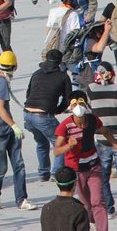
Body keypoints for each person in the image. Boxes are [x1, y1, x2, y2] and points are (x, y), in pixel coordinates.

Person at [52, 91, 117, 231]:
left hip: (94, 165)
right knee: (86, 204)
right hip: (77, 169)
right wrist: (68, 146)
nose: (78, 106)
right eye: (75, 104)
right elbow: (57, 151)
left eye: (81, 103)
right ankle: (89, 223)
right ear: (70, 107)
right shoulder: (65, 126)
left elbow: (105, 132)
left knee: (98, 202)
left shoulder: (93, 119)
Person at [0, 51, 37, 211]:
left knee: (16, 164)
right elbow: (0, 108)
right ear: (14, 66)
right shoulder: (2, 83)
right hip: (1, 132)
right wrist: (13, 125)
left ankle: (18, 199)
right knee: (3, 166)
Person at [85, 61, 117, 221]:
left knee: (103, 176)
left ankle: (109, 208)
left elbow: (88, 114)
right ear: (111, 73)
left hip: (101, 140)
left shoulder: (91, 90)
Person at [23, 48, 72, 182]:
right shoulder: (63, 77)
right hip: (43, 115)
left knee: (41, 142)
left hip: (27, 113)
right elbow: (68, 99)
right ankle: (56, 173)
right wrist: (57, 110)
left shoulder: (37, 73)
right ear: (60, 62)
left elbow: (28, 93)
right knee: (60, 142)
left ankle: (43, 173)